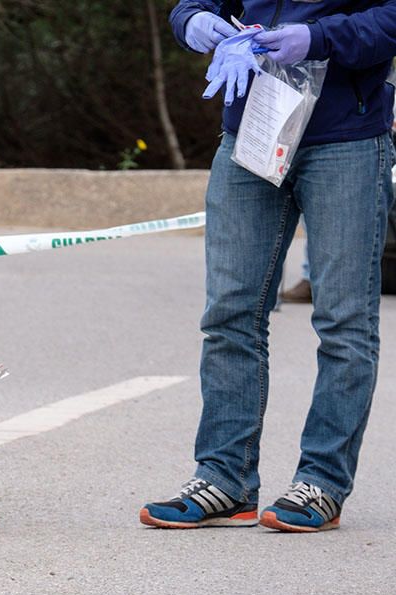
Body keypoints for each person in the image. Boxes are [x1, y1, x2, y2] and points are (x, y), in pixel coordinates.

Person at [141, 1, 396, 532]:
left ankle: (322, 481)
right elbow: (198, 1)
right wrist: (192, 21)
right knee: (229, 312)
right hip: (253, 128)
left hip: (347, 136)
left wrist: (318, 37)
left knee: (344, 321)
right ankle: (224, 478)